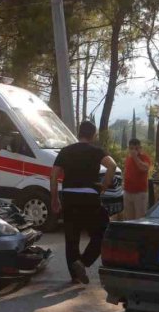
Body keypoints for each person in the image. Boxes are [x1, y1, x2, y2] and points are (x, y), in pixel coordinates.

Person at [50, 120, 117, 285]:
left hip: (69, 197)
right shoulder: (96, 151)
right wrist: (103, 186)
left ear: (79, 133)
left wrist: (54, 198)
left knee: (71, 237)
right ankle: (84, 262)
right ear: (93, 135)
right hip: (89, 197)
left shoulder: (65, 151)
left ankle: (74, 276)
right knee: (101, 232)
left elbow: (53, 175)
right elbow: (112, 165)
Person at [123, 138, 152, 220]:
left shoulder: (144, 157)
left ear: (140, 148)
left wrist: (135, 157)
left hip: (140, 193)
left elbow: (144, 168)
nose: (133, 151)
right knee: (129, 220)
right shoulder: (128, 158)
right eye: (131, 148)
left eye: (136, 148)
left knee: (140, 219)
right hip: (127, 192)